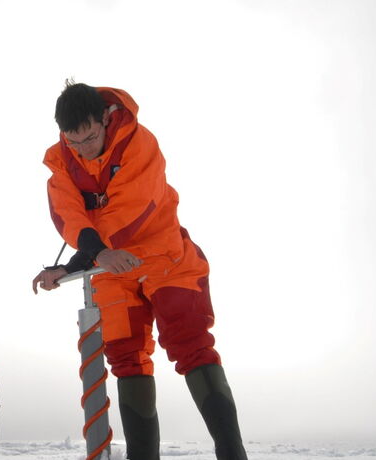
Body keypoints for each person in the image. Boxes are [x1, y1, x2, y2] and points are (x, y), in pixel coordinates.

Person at [32, 83, 247, 460]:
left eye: (90, 138)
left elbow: (131, 209)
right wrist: (68, 267)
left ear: (104, 118)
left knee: (191, 346)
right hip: (111, 268)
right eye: (74, 141)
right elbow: (68, 213)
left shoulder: (138, 143)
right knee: (126, 359)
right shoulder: (61, 161)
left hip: (165, 259)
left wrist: (90, 257)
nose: (84, 149)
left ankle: (232, 453)